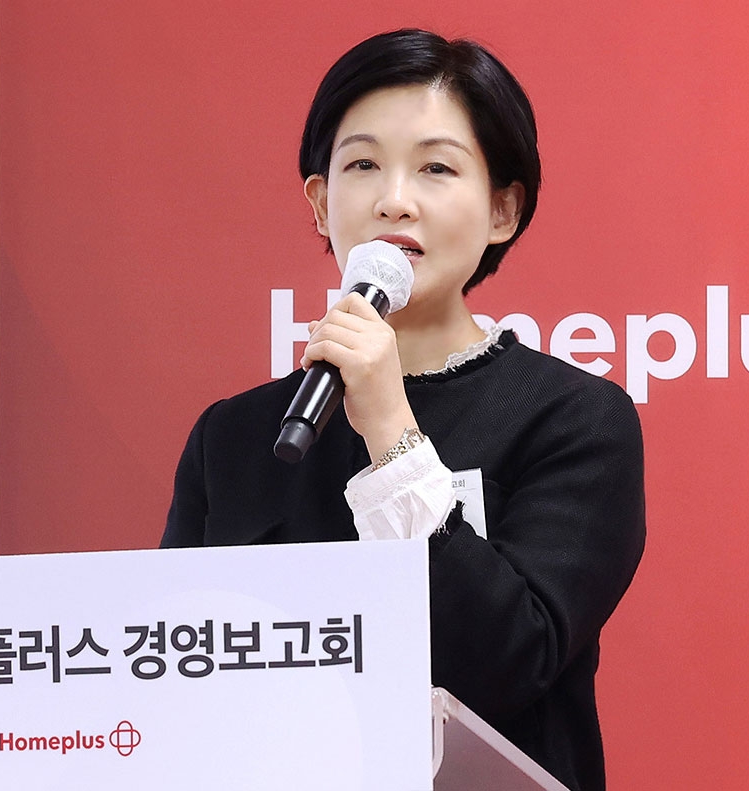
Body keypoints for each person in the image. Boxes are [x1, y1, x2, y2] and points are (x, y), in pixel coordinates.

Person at [161, 28, 645, 791]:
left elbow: (506, 664)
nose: (394, 199)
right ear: (319, 203)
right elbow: (173, 676)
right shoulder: (234, 436)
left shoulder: (575, 420)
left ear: (502, 209)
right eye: (361, 165)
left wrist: (390, 428)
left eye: (435, 168)